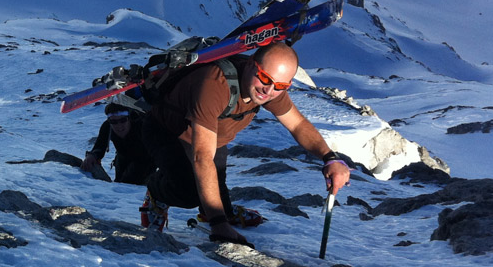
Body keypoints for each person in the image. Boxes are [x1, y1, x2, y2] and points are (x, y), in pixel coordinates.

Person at [140, 41, 350, 244]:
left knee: (216, 187)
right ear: (250, 63)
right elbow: (202, 157)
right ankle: (157, 194)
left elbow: (297, 125)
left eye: (281, 86)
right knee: (188, 193)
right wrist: (218, 225)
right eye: (265, 79)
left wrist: (330, 158)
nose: (269, 90)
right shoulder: (214, 84)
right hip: (168, 132)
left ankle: (218, 212)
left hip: (215, 138)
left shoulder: (270, 88)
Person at [80, 103, 155, 185]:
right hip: (122, 157)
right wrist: (92, 156)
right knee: (119, 185)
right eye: (114, 122)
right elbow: (100, 146)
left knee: (129, 184)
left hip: (145, 160)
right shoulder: (107, 126)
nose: (119, 125)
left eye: (123, 120)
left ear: (129, 118)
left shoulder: (142, 125)